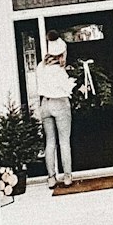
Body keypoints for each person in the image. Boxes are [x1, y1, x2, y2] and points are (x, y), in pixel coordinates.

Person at [36, 38, 75, 188]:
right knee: (64, 141)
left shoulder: (40, 66)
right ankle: (67, 176)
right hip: (60, 103)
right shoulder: (59, 70)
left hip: (45, 103)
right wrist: (72, 82)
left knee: (50, 142)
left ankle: (51, 177)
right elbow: (67, 88)